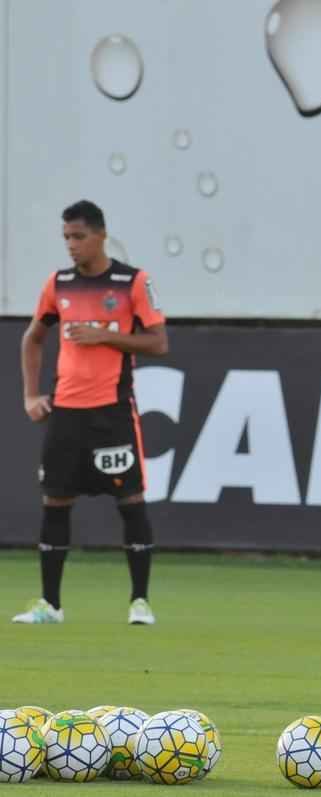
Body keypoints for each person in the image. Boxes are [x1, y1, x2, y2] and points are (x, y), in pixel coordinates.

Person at [12, 200, 169, 625]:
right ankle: (51, 605)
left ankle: (140, 602)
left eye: (79, 237)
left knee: (130, 500)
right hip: (66, 412)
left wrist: (103, 336)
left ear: (101, 235)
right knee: (55, 501)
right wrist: (31, 395)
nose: (71, 246)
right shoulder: (58, 284)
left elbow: (158, 343)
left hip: (112, 411)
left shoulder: (132, 282)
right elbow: (33, 338)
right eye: (66, 238)